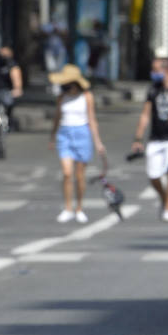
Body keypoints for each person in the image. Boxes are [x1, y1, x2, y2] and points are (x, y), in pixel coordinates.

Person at [48, 63, 104, 223]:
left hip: (82, 134)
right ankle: (67, 208)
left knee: (80, 176)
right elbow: (57, 118)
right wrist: (52, 136)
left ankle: (79, 207)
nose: (66, 87)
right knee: (67, 173)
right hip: (64, 134)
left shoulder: (86, 96)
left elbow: (92, 119)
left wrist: (98, 142)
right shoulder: (62, 97)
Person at [130, 57, 168, 222]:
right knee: (153, 175)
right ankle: (165, 199)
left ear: (166, 69)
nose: (153, 73)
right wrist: (138, 138)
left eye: (156, 70)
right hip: (156, 138)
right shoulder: (153, 89)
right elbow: (145, 114)